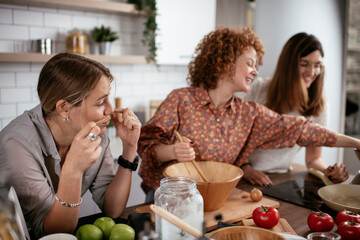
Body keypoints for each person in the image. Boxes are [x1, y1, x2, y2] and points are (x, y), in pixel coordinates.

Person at [137, 27, 360, 201]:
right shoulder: (181, 99)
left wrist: (355, 143)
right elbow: (147, 147)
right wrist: (172, 150)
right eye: (250, 64)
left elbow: (301, 129)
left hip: (212, 201)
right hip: (167, 199)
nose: (255, 71)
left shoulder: (248, 114)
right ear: (224, 63)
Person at [0, 53, 141, 238]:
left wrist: (129, 149)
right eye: (101, 102)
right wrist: (73, 170)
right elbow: (50, 231)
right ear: (64, 108)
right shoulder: (16, 144)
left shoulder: (95, 132)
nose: (110, 110)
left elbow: (112, 209)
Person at [243, 32, 349, 185]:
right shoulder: (260, 88)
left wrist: (329, 171)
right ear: (289, 65)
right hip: (244, 173)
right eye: (304, 64)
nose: (312, 72)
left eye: (317, 65)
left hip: (281, 177)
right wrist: (245, 168)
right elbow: (236, 137)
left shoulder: (319, 106)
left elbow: (314, 159)